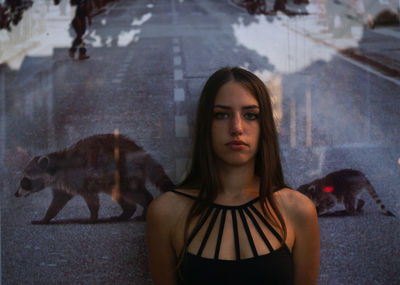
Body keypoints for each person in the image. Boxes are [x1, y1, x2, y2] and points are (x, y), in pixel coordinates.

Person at [146, 67, 320, 285]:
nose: (237, 128)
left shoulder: (298, 210)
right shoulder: (166, 213)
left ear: (264, 125)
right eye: (221, 115)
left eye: (250, 115)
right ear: (206, 125)